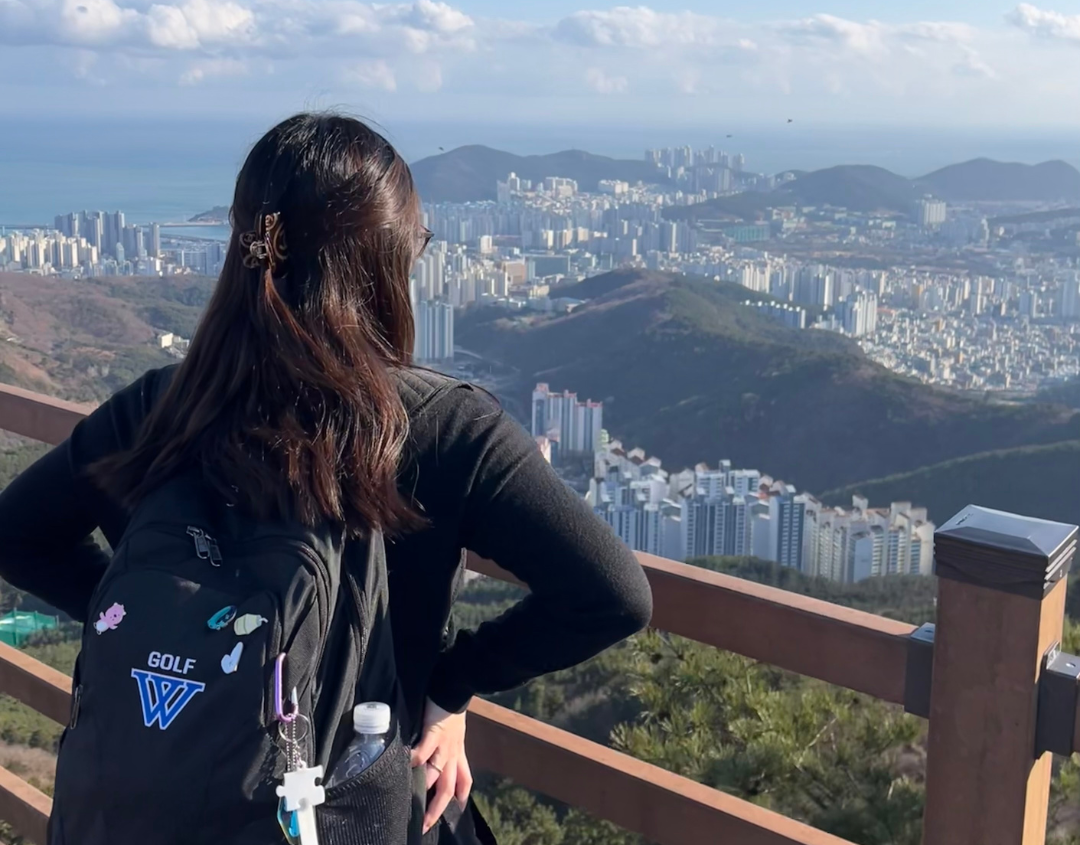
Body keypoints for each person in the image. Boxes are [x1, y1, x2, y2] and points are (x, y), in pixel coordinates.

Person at [0, 113, 653, 843]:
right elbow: (612, 594)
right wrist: (447, 684)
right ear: (386, 260)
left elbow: (16, 536)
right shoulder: (440, 429)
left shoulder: (157, 407)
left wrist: (163, 630)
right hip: (348, 808)